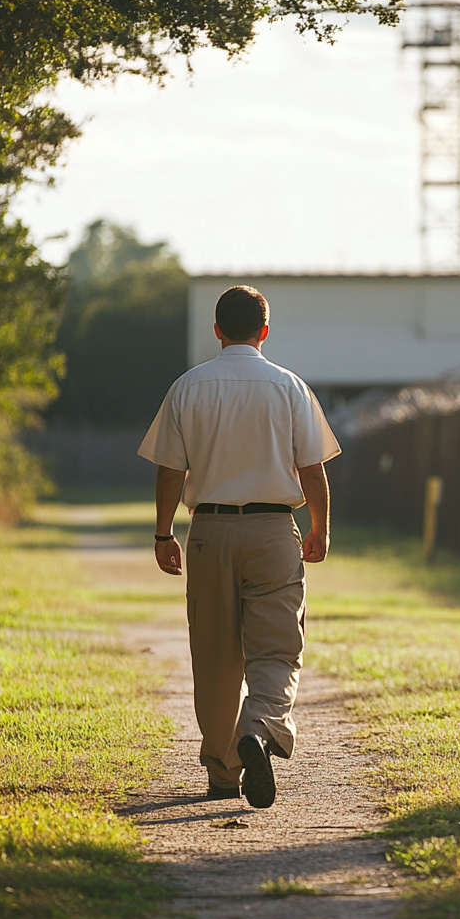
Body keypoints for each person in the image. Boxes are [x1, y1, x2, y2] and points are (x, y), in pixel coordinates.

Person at [137, 285, 340, 808]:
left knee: (214, 655)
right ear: (264, 331)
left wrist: (164, 532)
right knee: (276, 646)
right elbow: (311, 468)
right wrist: (318, 526)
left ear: (217, 330)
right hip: (274, 532)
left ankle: (224, 772)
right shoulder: (290, 387)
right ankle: (260, 727)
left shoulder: (188, 387)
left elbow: (170, 469)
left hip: (208, 533)